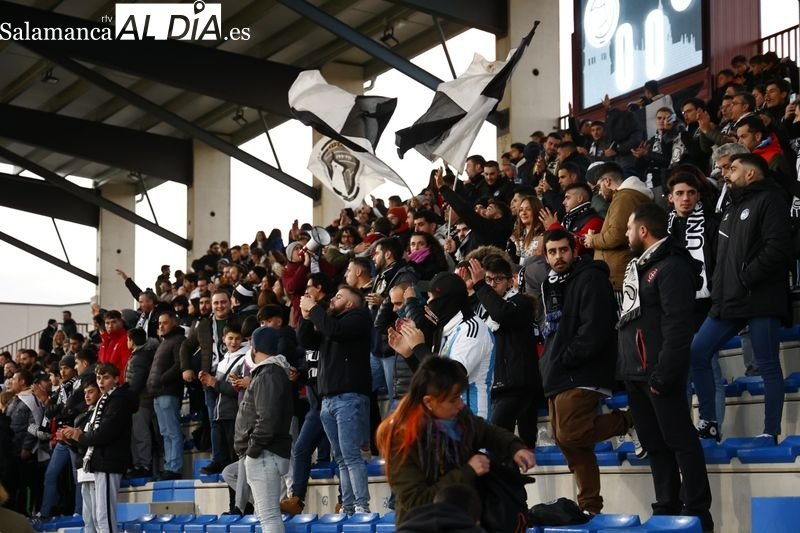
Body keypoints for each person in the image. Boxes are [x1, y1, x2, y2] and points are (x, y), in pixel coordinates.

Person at [617, 203, 713, 532]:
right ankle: (666, 507)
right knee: (655, 446)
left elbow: (678, 327)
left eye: (629, 228)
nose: (626, 234)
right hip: (635, 374)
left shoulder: (671, 267)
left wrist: (664, 374)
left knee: (681, 442)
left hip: (658, 373)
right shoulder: (639, 268)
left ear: (643, 231)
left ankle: (697, 512)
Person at [690, 153, 792, 442]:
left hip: (761, 298)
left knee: (767, 364)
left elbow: (777, 248)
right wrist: (721, 290)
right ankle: (709, 420)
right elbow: (724, 258)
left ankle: (770, 431)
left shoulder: (771, 199)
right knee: (697, 351)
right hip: (728, 300)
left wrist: (746, 277)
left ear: (750, 174)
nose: (726, 174)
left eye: (732, 169)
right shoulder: (731, 207)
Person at [539, 228, 637, 515]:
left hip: (582, 370)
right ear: (545, 256)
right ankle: (590, 508)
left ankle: (631, 419)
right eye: (553, 252)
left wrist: (567, 358)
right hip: (558, 372)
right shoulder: (549, 285)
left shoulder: (591, 278)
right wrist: (550, 364)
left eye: (563, 250)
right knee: (569, 445)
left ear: (574, 250)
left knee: (571, 434)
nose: (559, 256)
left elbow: (596, 327)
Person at [376, 356, 535, 525]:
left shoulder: (460, 419)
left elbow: (488, 432)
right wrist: (468, 472)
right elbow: (416, 501)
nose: (460, 404)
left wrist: (514, 447)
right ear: (428, 402)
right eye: (453, 400)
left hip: (462, 520)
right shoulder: (400, 439)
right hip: (422, 526)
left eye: (459, 397)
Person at [297, 285, 373, 515]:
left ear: (349, 304)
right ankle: (348, 506)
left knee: (351, 456)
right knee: (340, 458)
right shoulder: (331, 324)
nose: (332, 299)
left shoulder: (358, 318)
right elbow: (307, 340)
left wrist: (314, 309)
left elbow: (335, 331)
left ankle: (361, 506)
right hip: (328, 400)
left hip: (349, 397)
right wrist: (306, 317)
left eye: (338, 296)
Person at [60, 363, 134, 533]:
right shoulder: (107, 399)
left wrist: (80, 436)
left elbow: (105, 433)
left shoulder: (118, 401)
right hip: (101, 461)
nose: (101, 381)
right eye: (99, 378)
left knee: (104, 516)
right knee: (99, 516)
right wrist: (77, 437)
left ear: (116, 379)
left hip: (109, 461)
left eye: (106, 378)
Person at [233, 327, 293, 533]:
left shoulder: (269, 374)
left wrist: (252, 451)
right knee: (265, 515)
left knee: (268, 516)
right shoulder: (270, 372)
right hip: (265, 453)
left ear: (255, 347)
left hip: (265, 454)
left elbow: (267, 419)